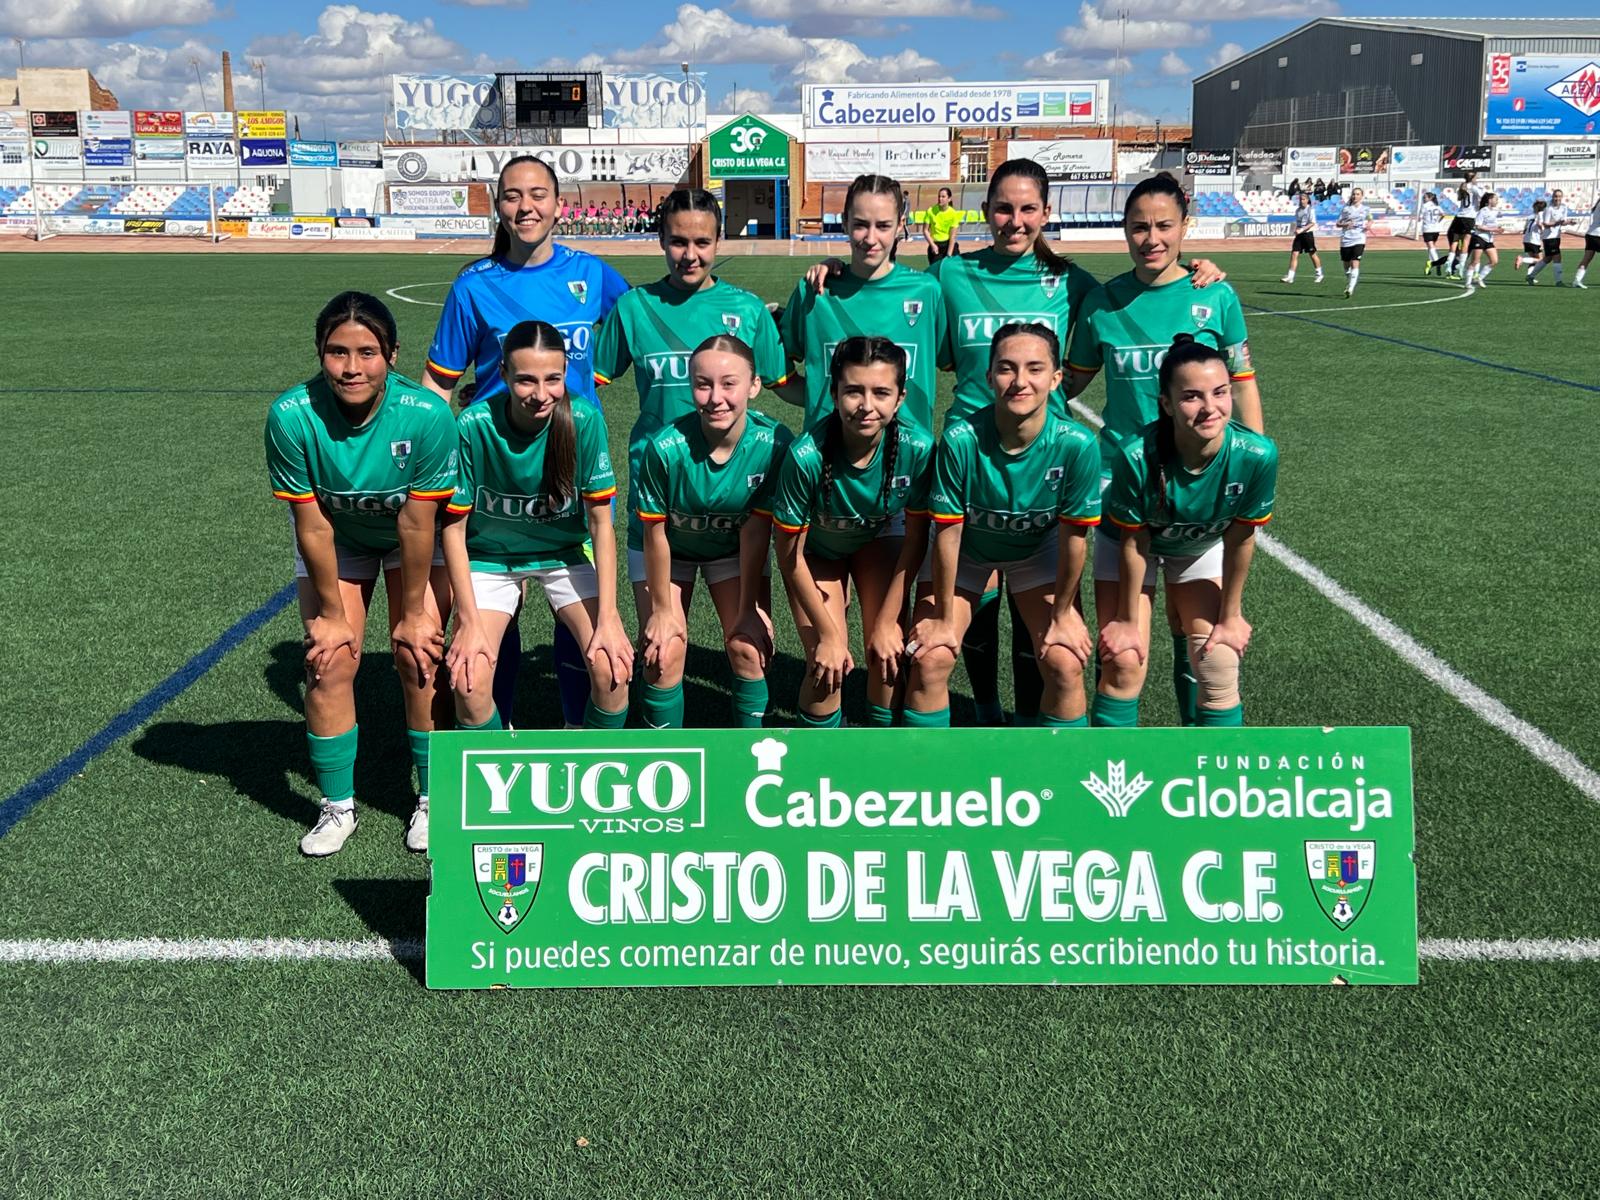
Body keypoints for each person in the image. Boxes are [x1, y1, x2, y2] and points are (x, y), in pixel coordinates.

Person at [928, 158, 1225, 726]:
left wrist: (1198, 271)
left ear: (1046, 212)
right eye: (1002, 208)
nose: (1014, 221)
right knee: (979, 594)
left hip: (1045, 462)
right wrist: (832, 269)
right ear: (986, 211)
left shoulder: (1075, 283)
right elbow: (920, 336)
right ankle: (988, 711)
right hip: (971, 456)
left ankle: (1028, 723)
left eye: (1027, 209)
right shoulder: (949, 276)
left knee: (1039, 607)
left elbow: (1096, 346)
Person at [422, 154, 629, 730]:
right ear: (498, 204)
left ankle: (575, 735)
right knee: (492, 632)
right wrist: (429, 457)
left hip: (566, 464)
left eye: (538, 194)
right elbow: (440, 382)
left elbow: (644, 321)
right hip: (491, 469)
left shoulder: (592, 273)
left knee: (585, 638)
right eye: (513, 195)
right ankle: (500, 732)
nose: (526, 206)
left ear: (560, 204)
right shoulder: (475, 285)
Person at [1066, 172, 1263, 728]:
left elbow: (1242, 378)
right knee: (1122, 656)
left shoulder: (1213, 294)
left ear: (1184, 227)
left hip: (1199, 492)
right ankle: (1108, 795)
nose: (1150, 238)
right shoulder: (1103, 304)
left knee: (1212, 655)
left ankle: (1209, 790)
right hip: (1121, 493)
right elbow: (1071, 384)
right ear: (1123, 232)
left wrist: (1252, 454)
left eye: (1163, 226)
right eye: (1138, 227)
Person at [265, 292, 456, 857]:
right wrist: (329, 615)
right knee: (328, 661)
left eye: (368, 352)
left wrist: (417, 613)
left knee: (418, 656)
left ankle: (429, 797)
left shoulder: (425, 414)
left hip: (408, 543)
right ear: (319, 352)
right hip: (338, 540)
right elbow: (314, 526)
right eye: (337, 352)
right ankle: (337, 806)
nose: (352, 367)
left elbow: (420, 525)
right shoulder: (291, 415)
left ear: (393, 354)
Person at [592, 186, 786, 656]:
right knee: (660, 653)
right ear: (660, 239)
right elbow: (587, 385)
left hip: (734, 509)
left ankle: (750, 733)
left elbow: (786, 386)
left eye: (702, 242)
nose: (690, 254)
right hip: (659, 503)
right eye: (679, 241)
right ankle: (662, 733)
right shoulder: (634, 308)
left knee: (751, 650)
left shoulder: (748, 310)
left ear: (719, 242)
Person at [903, 322, 1101, 728]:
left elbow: (1073, 541)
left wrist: (1063, 614)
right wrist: (942, 617)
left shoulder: (1077, 445)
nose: (1020, 381)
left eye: (1035, 368)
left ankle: (1059, 780)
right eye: (1007, 368)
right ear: (990, 375)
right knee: (930, 658)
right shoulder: (961, 440)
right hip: (969, 554)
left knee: (1065, 662)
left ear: (1056, 378)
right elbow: (948, 535)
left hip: (1036, 554)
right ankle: (923, 780)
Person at [443, 320, 632, 734]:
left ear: (566, 374)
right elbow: (453, 531)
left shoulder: (583, 420)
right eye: (526, 380)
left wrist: (610, 617)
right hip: (490, 559)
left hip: (564, 554)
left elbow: (601, 524)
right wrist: (468, 621)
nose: (541, 394)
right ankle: (499, 772)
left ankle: (588, 767)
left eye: (553, 379)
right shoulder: (474, 426)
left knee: (612, 671)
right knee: (469, 683)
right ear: (504, 375)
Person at [1096, 334, 1278, 727]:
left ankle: (1217, 781)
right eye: (1192, 396)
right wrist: (1127, 622)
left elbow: (1241, 539)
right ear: (1166, 403)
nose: (1209, 408)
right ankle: (1109, 781)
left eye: (1220, 392)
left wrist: (1231, 616)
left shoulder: (1257, 454)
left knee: (1219, 661)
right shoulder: (1135, 455)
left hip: (1198, 546)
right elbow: (1134, 540)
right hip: (1129, 546)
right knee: (1124, 661)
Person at [771, 337, 935, 728]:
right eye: (853, 391)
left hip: (878, 541)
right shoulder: (805, 456)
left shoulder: (918, 448)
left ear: (900, 398)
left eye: (881, 392)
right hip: (815, 554)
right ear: (833, 393)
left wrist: (885, 621)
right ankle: (820, 766)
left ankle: (880, 760)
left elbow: (915, 541)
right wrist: (829, 634)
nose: (866, 405)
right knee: (826, 665)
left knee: (887, 655)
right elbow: (789, 557)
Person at [632, 335, 793, 729]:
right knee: (663, 653)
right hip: (669, 551)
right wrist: (663, 612)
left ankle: (751, 756)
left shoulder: (774, 443)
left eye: (729, 384)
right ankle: (663, 756)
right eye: (703, 385)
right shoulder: (664, 448)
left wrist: (747, 609)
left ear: (754, 386)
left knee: (748, 648)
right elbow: (655, 535)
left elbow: (756, 533)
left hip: (733, 550)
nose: (715, 397)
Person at [777, 174, 947, 437]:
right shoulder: (815, 292)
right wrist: (818, 400)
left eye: (883, 225)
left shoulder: (926, 291)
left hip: (907, 459)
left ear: (900, 224)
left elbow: (962, 362)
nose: (870, 238)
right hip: (828, 458)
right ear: (844, 222)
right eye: (860, 224)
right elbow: (778, 366)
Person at [1528, 189, 1571, 285]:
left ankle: (1530, 276)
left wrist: (1569, 222)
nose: (1557, 198)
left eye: (1559, 196)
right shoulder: (1549, 208)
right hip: (1548, 236)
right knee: (1557, 257)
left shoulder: (1564, 207)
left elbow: (1563, 222)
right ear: (1552, 197)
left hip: (1556, 236)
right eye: (1556, 196)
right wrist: (1558, 222)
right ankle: (1558, 281)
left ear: (1562, 197)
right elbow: (1546, 224)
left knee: (1547, 258)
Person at [1280, 190, 1323, 285]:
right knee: (1294, 254)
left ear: (1307, 200)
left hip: (1307, 234)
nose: (1302, 201)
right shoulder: (1298, 210)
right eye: (1300, 199)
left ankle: (1319, 274)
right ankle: (1290, 277)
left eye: (1303, 199)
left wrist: (1302, 229)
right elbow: (1298, 223)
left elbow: (1312, 223)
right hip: (1299, 235)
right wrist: (1297, 230)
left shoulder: (1310, 210)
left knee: (1312, 254)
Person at [1444, 172, 1482, 278]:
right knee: (1466, 242)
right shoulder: (1474, 188)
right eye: (1476, 177)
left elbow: (1460, 199)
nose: (1477, 179)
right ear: (1472, 178)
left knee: (1455, 241)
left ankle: (1449, 261)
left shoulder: (1462, 187)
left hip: (1459, 217)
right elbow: (1483, 197)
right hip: (1469, 218)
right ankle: (1461, 266)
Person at [1463, 191, 1500, 294]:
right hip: (1479, 238)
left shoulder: (1495, 211)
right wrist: (1494, 229)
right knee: (1475, 261)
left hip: (1489, 239)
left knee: (1494, 261)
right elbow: (1478, 226)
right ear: (1490, 200)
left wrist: (1498, 229)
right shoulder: (1483, 211)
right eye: (1495, 199)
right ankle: (1468, 283)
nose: (1497, 201)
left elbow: (1492, 225)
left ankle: (1479, 277)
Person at [1336, 186, 1370, 298]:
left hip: (1359, 238)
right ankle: (1350, 280)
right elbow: (1338, 223)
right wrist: (1345, 224)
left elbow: (1370, 219)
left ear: (1362, 196)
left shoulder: (1366, 209)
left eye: (1358, 194)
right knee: (1346, 265)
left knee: (1355, 262)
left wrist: (1369, 225)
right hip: (1346, 239)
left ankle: (1350, 288)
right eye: (1354, 194)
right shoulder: (1346, 209)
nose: (1355, 196)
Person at [924, 186, 963, 264]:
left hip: (949, 244)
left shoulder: (953, 214)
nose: (940, 199)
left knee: (954, 269)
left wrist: (949, 254)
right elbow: (925, 230)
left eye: (943, 196)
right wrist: (932, 245)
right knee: (935, 272)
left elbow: (952, 236)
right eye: (939, 196)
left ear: (949, 199)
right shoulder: (930, 211)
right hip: (936, 245)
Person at [1514, 201, 1547, 273]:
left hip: (1526, 239)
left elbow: (1525, 229)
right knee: (1540, 259)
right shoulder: (1541, 214)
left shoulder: (1530, 216)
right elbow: (1539, 223)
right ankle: (1522, 259)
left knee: (1533, 259)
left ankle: (1529, 277)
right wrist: (1543, 231)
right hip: (1534, 240)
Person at [1420, 191, 1447, 276]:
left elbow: (1420, 217)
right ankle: (1430, 265)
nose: (1423, 199)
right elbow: (1443, 214)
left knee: (1431, 247)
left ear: (1430, 198)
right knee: (1431, 248)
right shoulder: (1437, 206)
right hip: (1436, 229)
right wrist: (1438, 221)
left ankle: (1437, 263)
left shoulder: (1424, 206)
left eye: (1425, 197)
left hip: (1427, 229)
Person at [1577, 194, 1600, 290]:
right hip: (1597, 235)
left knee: (1587, 259)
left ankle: (1577, 280)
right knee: (1587, 259)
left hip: (1591, 234)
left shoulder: (1598, 203)